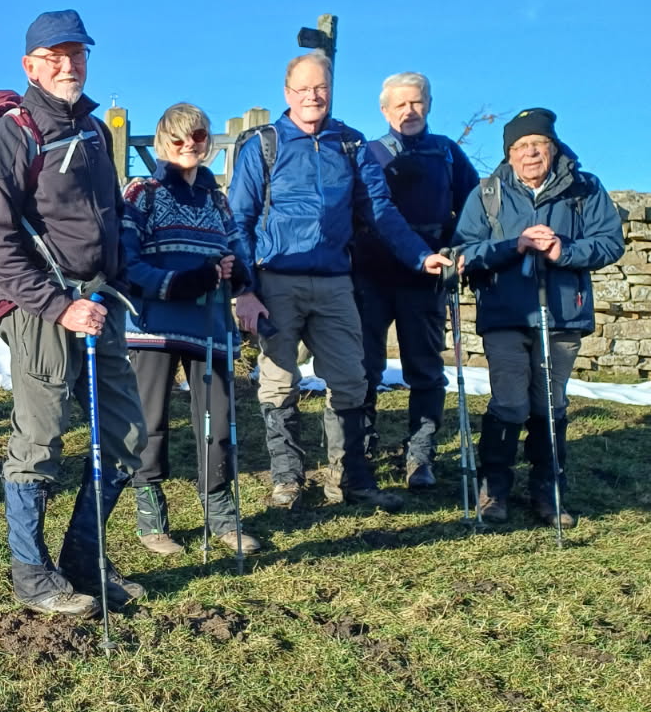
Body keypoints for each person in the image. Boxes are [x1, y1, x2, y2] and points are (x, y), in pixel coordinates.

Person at [0, 9, 146, 618]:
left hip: (99, 305)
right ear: (30, 67)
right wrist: (59, 305)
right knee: (40, 438)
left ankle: (82, 558)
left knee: (127, 435)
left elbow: (109, 220)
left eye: (77, 54)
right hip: (39, 309)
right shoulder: (11, 135)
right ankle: (30, 573)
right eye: (55, 57)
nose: (69, 65)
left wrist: (114, 284)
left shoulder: (96, 132)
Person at [229, 51, 451, 514]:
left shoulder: (349, 145)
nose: (313, 95)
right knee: (278, 383)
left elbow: (379, 209)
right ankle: (287, 480)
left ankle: (349, 478)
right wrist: (244, 289)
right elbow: (239, 220)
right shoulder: (264, 145)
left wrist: (419, 256)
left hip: (335, 282)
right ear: (287, 93)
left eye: (321, 87)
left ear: (331, 90)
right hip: (276, 281)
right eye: (303, 88)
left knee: (351, 380)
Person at [453, 108, 623, 525]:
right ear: (509, 154)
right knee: (510, 402)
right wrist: (516, 245)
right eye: (520, 147)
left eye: (538, 145)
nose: (530, 153)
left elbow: (610, 242)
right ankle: (495, 489)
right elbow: (463, 252)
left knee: (550, 403)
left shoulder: (583, 189)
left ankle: (548, 490)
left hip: (563, 315)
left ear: (553, 148)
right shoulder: (488, 193)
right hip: (506, 315)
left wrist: (563, 251)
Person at [121, 102, 262, 555]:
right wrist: (177, 283)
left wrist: (237, 273)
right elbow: (126, 261)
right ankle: (151, 516)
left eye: (198, 137)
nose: (189, 146)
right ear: (163, 141)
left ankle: (220, 510)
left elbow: (237, 249)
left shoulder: (216, 198)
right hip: (155, 323)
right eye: (178, 139)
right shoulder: (142, 191)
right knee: (150, 420)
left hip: (211, 322)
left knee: (218, 422)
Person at [353, 72, 479, 488]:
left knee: (425, 370)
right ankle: (362, 452)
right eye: (400, 104)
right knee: (364, 369)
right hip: (369, 276)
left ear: (428, 104)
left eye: (417, 102)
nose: (409, 111)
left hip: (425, 280)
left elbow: (474, 211)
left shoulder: (447, 153)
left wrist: (456, 252)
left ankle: (420, 457)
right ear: (385, 110)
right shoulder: (367, 153)